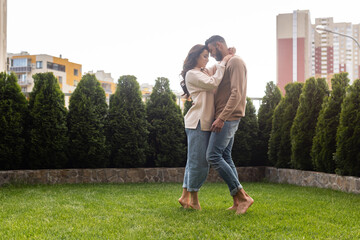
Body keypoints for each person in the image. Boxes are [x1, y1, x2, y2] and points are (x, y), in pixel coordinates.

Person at [178, 44, 233, 210]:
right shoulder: (192, 74)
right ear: (195, 57)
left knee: (193, 162)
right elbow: (213, 82)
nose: (207, 59)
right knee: (199, 163)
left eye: (208, 56)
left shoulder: (202, 71)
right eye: (204, 56)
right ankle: (193, 201)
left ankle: (184, 197)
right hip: (198, 123)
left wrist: (227, 55)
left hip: (202, 122)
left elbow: (215, 68)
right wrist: (224, 61)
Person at [205, 35, 254, 215]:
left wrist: (222, 118)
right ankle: (237, 201)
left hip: (229, 117)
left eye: (211, 50)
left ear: (219, 45)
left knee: (213, 155)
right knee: (225, 155)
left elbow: (237, 94)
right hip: (225, 116)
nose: (211, 54)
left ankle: (243, 197)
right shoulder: (227, 63)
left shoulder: (236, 63)